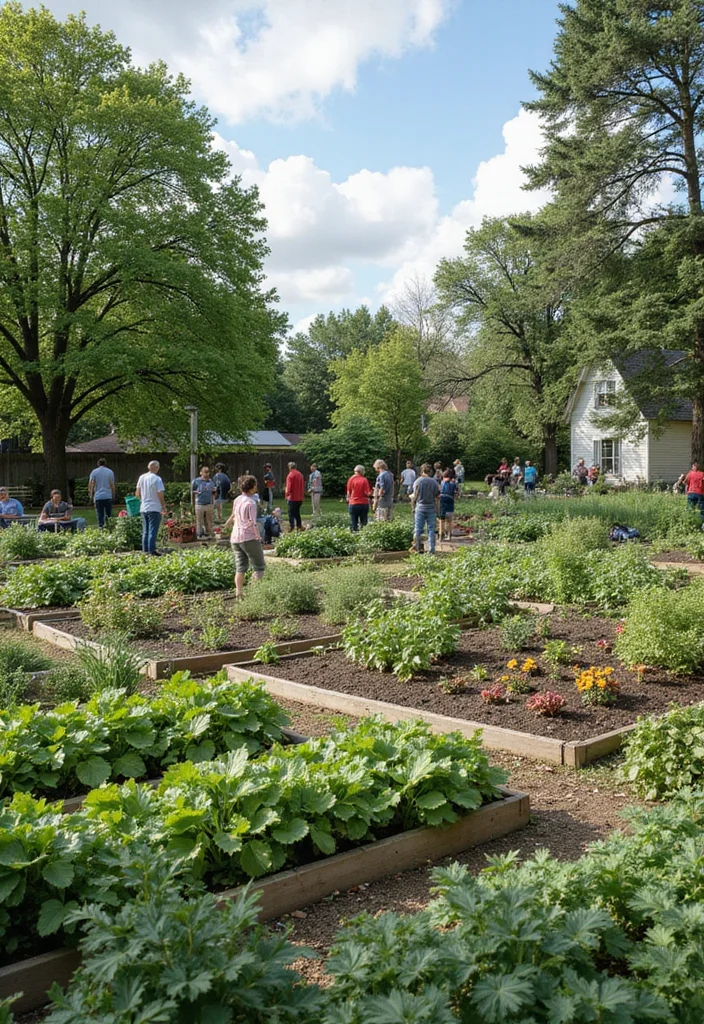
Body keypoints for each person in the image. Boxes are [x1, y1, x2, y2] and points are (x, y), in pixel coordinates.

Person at [225, 474, 266, 599]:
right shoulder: (251, 503)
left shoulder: (237, 499)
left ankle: (239, 593)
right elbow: (252, 523)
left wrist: (226, 525)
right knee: (259, 567)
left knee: (240, 567)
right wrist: (258, 536)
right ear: (252, 487)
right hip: (248, 538)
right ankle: (255, 594)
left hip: (235, 538)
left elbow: (233, 516)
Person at [135, 460, 166, 555]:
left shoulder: (142, 477)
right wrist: (163, 505)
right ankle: (151, 550)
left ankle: (145, 550)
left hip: (144, 507)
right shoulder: (157, 479)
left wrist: (143, 499)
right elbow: (159, 493)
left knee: (146, 530)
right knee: (153, 530)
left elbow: (137, 493)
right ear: (156, 468)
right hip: (154, 507)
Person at [411, 463, 441, 554]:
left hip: (420, 507)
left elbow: (414, 495)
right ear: (430, 471)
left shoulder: (417, 481)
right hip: (431, 507)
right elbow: (437, 495)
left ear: (422, 471)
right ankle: (432, 550)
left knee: (418, 528)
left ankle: (416, 547)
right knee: (431, 529)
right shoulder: (434, 482)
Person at [88, 458, 115, 529]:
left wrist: (91, 494)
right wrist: (113, 494)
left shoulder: (94, 472)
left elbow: (91, 484)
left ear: (98, 464)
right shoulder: (110, 472)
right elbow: (112, 485)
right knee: (109, 513)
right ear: (105, 464)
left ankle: (101, 527)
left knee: (100, 514)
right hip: (108, 495)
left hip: (98, 496)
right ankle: (109, 526)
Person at [191, 465, 217, 539]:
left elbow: (214, 493)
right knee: (199, 520)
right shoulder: (196, 482)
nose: (207, 474)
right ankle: (199, 534)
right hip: (199, 504)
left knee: (209, 520)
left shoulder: (211, 482)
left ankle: (209, 534)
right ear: (201, 473)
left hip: (209, 503)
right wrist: (193, 504)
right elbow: (193, 493)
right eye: (205, 472)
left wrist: (213, 502)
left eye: (208, 472)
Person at [346, 464, 372, 532]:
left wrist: (348, 501)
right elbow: (367, 493)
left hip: (353, 503)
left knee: (353, 521)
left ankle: (354, 535)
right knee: (363, 522)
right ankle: (363, 535)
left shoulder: (351, 479)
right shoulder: (364, 480)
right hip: (363, 503)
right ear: (362, 471)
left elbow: (348, 492)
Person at [438, 469, 458, 541]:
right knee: (449, 521)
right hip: (450, 504)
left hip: (442, 504)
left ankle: (441, 536)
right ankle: (449, 535)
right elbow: (456, 494)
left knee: (441, 520)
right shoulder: (454, 484)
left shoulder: (441, 483)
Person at [285, 462, 305, 531]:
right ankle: (299, 526)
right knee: (297, 512)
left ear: (290, 467)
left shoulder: (290, 475)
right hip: (300, 497)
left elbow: (289, 487)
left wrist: (287, 495)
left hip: (293, 497)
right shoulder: (300, 474)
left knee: (291, 513)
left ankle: (291, 526)